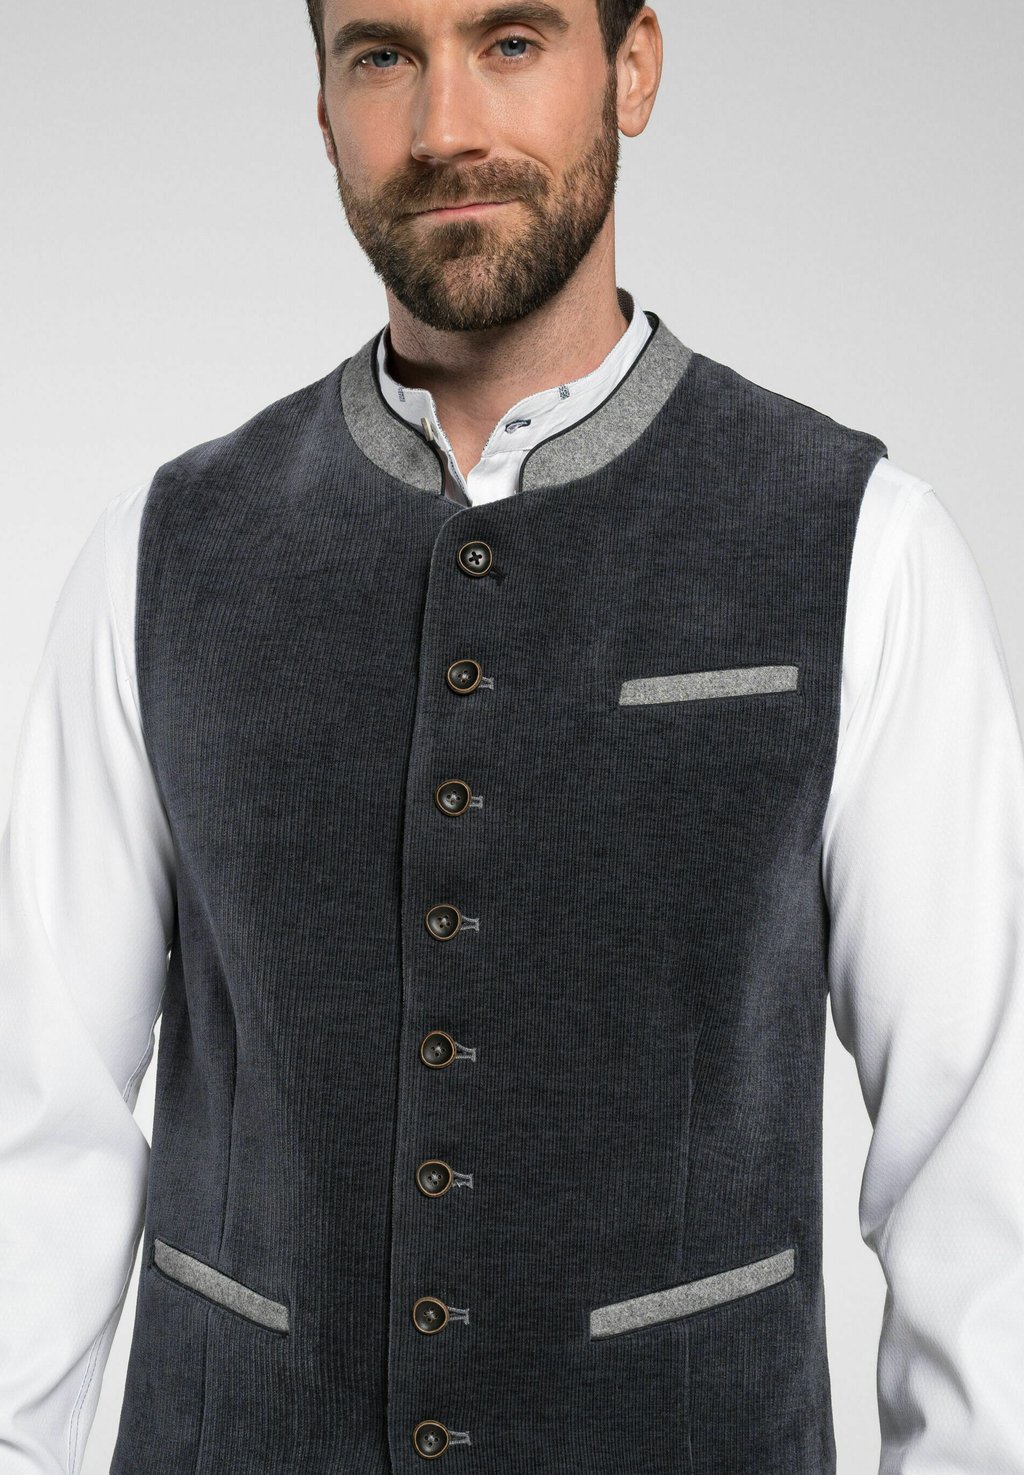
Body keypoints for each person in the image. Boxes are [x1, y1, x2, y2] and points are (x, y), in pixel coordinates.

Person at [1, 0, 1022, 1470]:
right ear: (322, 103)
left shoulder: (861, 545)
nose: (444, 129)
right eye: (382, 55)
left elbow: (980, 1162)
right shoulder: (162, 553)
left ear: (634, 66)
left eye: (513, 41)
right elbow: (39, 1128)